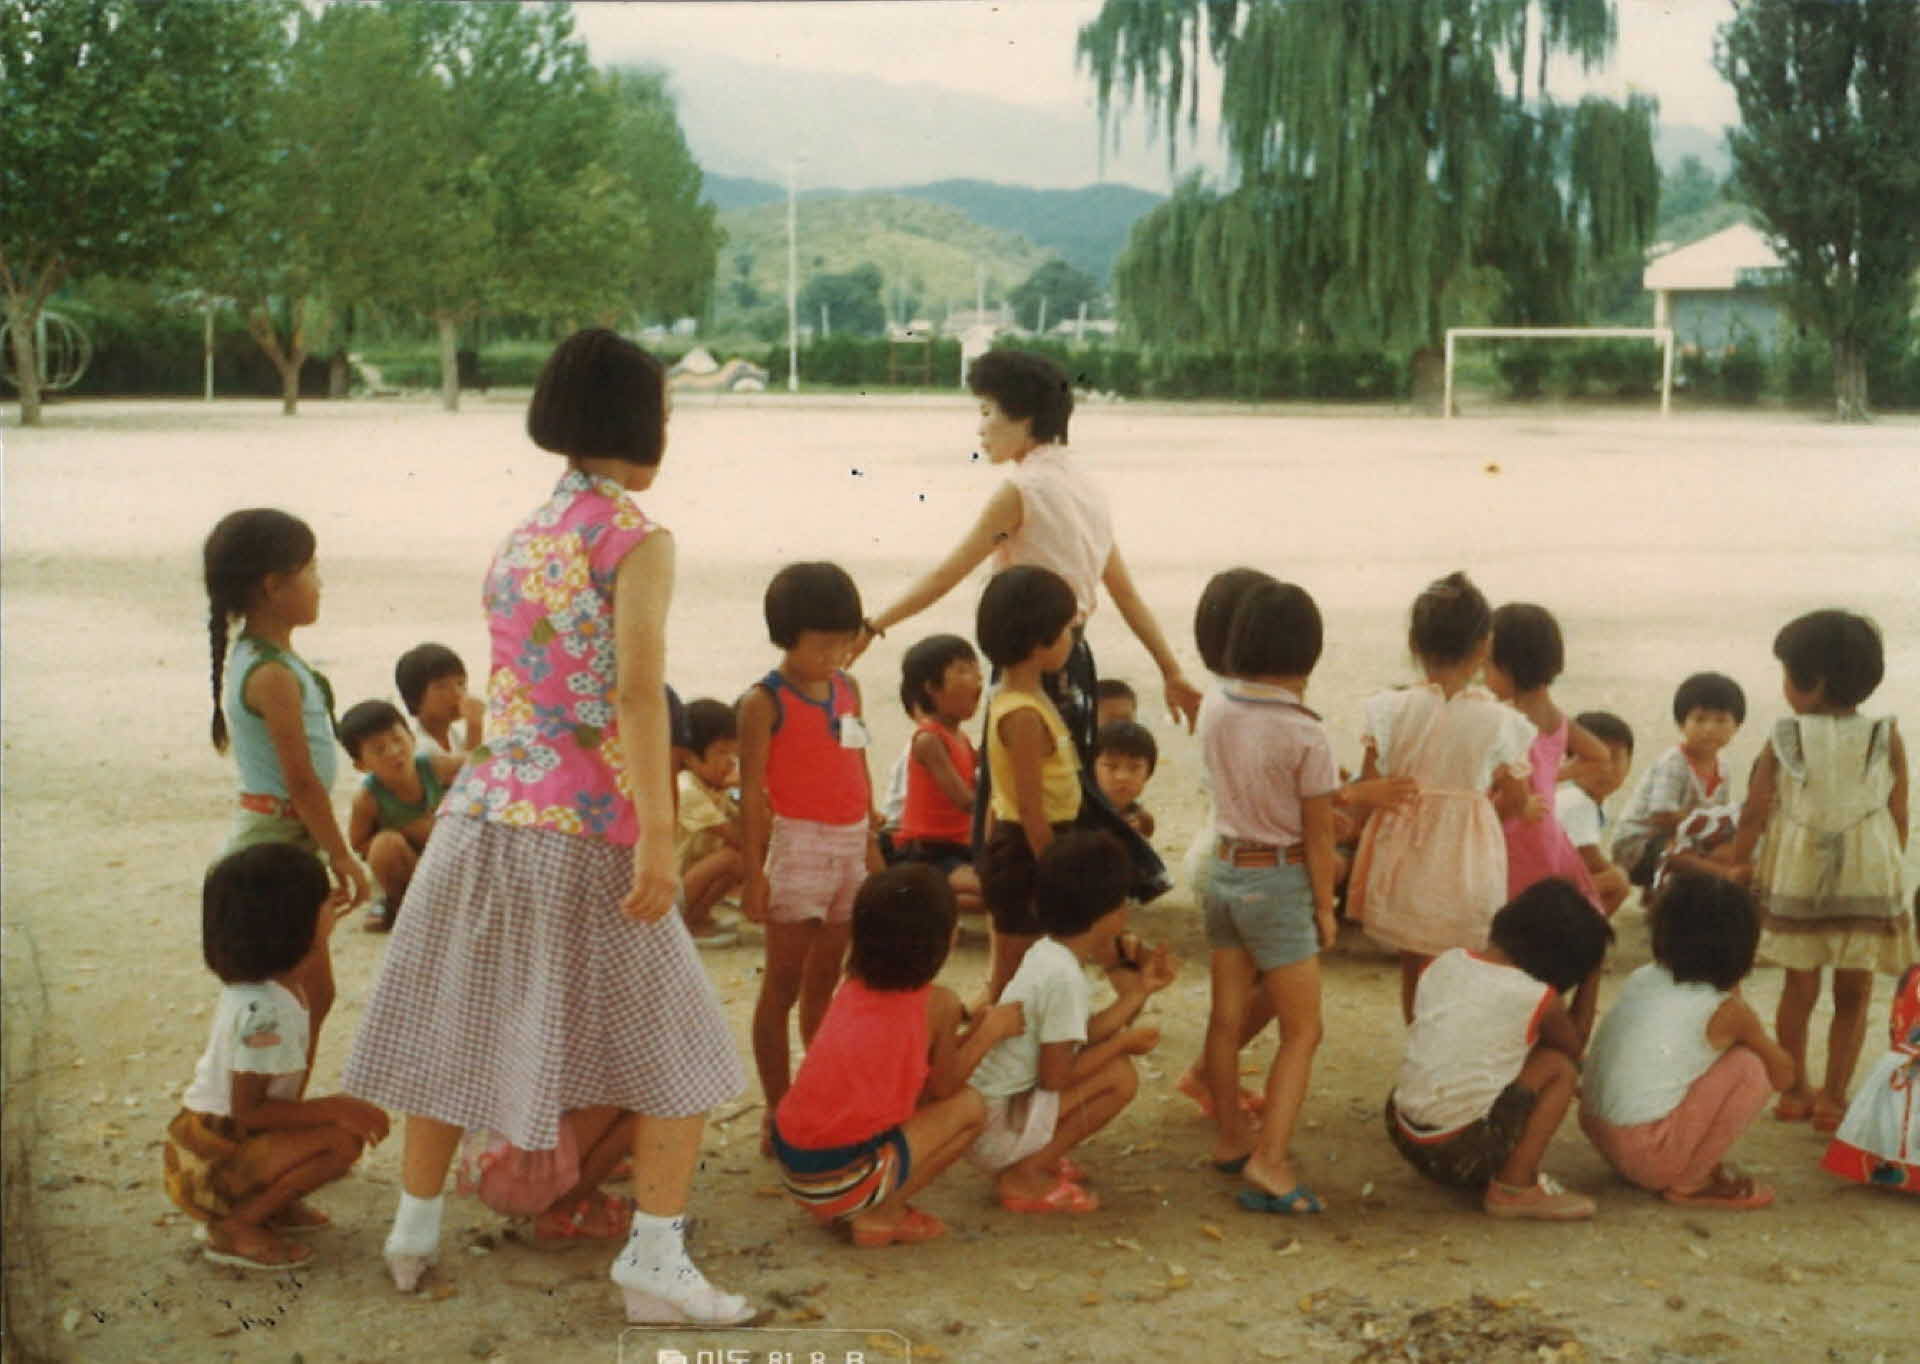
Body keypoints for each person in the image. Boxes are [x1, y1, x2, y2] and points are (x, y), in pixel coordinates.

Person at [342, 329, 751, 1326]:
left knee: (458, 1016)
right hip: (585, 822)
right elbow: (638, 689)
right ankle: (654, 1259)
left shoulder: (523, 533)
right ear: (642, 422)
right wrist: (661, 833)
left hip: (484, 813)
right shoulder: (636, 535)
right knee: (685, 1046)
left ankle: (413, 1226)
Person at [853, 349, 1196, 901]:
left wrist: (875, 625)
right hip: (1075, 659)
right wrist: (1172, 671)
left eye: (989, 411)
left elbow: (948, 574)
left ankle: (1035, 905)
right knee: (1064, 794)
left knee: (1014, 799)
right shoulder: (1087, 488)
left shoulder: (1022, 492)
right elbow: (1124, 592)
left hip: (1028, 661)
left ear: (1025, 417)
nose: (981, 426)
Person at [1724, 610, 1912, 1132]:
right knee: (1854, 992)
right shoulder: (1884, 733)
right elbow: (1899, 810)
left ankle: (1794, 1091)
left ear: (1813, 683)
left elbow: (1754, 810)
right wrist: (1887, 870)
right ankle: (1833, 1099)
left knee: (1798, 988)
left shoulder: (1786, 735)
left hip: (1801, 878)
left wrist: (1741, 863)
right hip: (1869, 874)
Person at [771, 865, 1025, 1246]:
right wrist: (990, 1032)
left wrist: (970, 1033)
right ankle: (881, 1214)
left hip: (796, 1171)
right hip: (845, 1179)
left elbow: (919, 1066)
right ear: (948, 939)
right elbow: (945, 1088)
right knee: (971, 1108)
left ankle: (854, 1203)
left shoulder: (851, 985)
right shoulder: (938, 1002)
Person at [164, 844, 388, 1270]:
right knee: (340, 1142)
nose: (332, 909)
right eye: (324, 903)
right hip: (210, 1157)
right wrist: (338, 1107)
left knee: (334, 1131)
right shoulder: (263, 1012)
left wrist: (319, 921)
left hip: (227, 1143)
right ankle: (235, 1224)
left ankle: (269, 1207)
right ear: (293, 925)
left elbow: (316, 974)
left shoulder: (275, 982)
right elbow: (248, 1112)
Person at [203, 507, 370, 1068]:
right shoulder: (270, 674)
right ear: (273, 587)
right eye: (311, 570)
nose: (320, 583)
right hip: (278, 845)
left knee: (311, 994)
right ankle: (260, 1123)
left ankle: (274, 1116)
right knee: (285, 996)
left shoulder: (271, 658)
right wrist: (342, 855)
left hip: (286, 840)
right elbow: (301, 782)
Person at [1194, 580, 1337, 1214]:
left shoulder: (1215, 707)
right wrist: (1327, 909)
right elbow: (1319, 835)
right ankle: (1270, 1160)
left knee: (1226, 1020)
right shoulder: (1306, 734)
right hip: (1277, 883)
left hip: (1224, 870)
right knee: (1303, 1030)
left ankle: (1231, 1135)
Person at [1348, 572, 1536, 1022]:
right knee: (1464, 956)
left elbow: (1369, 787)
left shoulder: (1388, 709)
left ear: (1414, 643)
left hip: (1405, 851)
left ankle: (1419, 1043)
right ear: (1484, 646)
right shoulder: (1498, 720)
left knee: (1415, 957)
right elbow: (1516, 794)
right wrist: (1483, 810)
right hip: (1467, 853)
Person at [738, 562, 882, 1123]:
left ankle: (818, 1098)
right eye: (823, 644)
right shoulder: (762, 703)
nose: (836, 654)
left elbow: (858, 763)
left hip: (849, 845)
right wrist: (754, 873)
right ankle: (779, 1109)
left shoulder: (850, 688)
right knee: (783, 986)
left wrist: (871, 842)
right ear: (787, 636)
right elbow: (751, 795)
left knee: (829, 981)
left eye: (845, 642)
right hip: (797, 846)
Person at [967, 832, 1176, 1213]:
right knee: (1119, 1076)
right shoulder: (1063, 977)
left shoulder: (1048, 954)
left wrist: (1140, 990)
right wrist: (1122, 1044)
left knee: (1111, 1062)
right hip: (996, 1127)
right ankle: (1025, 1173)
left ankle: (1033, 1157)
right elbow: (1056, 1077)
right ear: (1111, 916)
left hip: (989, 1117)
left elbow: (1080, 1034)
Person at [1384, 879, 1614, 1220]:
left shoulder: (1446, 961)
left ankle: (1489, 1161)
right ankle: (1514, 1188)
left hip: (1403, 1131)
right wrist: (1591, 976)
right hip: (1456, 1151)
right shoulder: (1534, 995)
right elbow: (1574, 1045)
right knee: (1557, 1067)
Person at [1579, 873, 1793, 1209]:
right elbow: (1784, 1076)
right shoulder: (1725, 1011)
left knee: (1717, 1054)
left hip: (1598, 1129)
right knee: (1752, 1068)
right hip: (1645, 1155)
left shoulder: (1645, 976)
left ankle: (1677, 1159)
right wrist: (1748, 1024)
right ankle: (1690, 1182)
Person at [1486, 603, 1615, 1034]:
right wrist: (1554, 776)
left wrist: (1540, 780)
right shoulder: (1555, 716)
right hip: (1547, 836)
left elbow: (1502, 790)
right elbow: (1599, 755)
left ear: (1504, 664)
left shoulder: (1505, 720)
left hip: (1514, 836)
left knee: (1512, 934)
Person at [974, 565, 1084, 1000]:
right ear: (1040, 642)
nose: (1071, 639)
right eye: (1064, 630)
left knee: (1021, 973)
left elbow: (996, 797)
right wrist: (1058, 875)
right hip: (1029, 849)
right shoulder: (1022, 715)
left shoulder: (1022, 698)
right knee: (1013, 979)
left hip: (1022, 843)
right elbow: (1030, 809)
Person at [1610, 672, 1746, 888]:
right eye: (1700, 719)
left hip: (1681, 836)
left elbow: (1716, 817)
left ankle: (1671, 893)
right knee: (1682, 855)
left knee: (1726, 850)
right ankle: (1723, 876)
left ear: (1737, 726)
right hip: (1639, 844)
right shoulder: (1674, 763)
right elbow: (1661, 815)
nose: (1710, 728)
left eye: (1721, 720)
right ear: (1682, 724)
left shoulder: (1724, 769)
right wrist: (1704, 833)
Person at [338, 700, 463, 933]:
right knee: (385, 845)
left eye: (397, 739)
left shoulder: (433, 766)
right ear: (361, 765)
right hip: (409, 865)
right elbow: (359, 844)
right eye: (379, 749)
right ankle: (399, 905)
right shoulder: (367, 799)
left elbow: (474, 765)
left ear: (412, 737)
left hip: (447, 854)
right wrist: (404, 831)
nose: (394, 751)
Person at [894, 634, 986, 917]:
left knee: (1010, 893)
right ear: (932, 687)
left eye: (976, 669)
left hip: (960, 848)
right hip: (930, 853)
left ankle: (927, 895)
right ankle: (918, 896)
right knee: (1000, 891)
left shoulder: (962, 739)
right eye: (963, 671)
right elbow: (966, 801)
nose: (978, 679)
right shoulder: (929, 740)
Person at [1820, 954, 1919, 1194]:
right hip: (1912, 1069)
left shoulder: (1912, 974)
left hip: (1902, 1066)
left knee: (1892, 1117)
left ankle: (1893, 1168)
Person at [674, 698, 744, 949]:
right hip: (667, 892)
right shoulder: (687, 788)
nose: (731, 762)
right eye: (721, 752)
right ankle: (683, 923)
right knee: (732, 857)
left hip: (683, 886)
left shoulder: (714, 787)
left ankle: (696, 918)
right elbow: (738, 838)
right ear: (692, 757)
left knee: (740, 859)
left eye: (734, 753)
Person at [1557, 711, 1635, 915]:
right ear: (1569, 761)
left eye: (1614, 758)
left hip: (1555, 880)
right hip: (1544, 886)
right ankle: (1584, 934)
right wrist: (1617, 872)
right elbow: (1589, 859)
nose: (1605, 769)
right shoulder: (1576, 801)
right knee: (1617, 882)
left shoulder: (1589, 799)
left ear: (1629, 764)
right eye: (1595, 760)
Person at [394, 642, 484, 758]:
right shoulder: (419, 748)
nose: (457, 693)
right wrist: (475, 727)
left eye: (460, 683)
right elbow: (468, 773)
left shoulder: (452, 736)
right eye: (442, 686)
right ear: (414, 697)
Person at [1092, 720, 1158, 839]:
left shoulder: (1140, 819)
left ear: (1149, 772)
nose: (1122, 777)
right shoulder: (1080, 818)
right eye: (1111, 767)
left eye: (1134, 768)